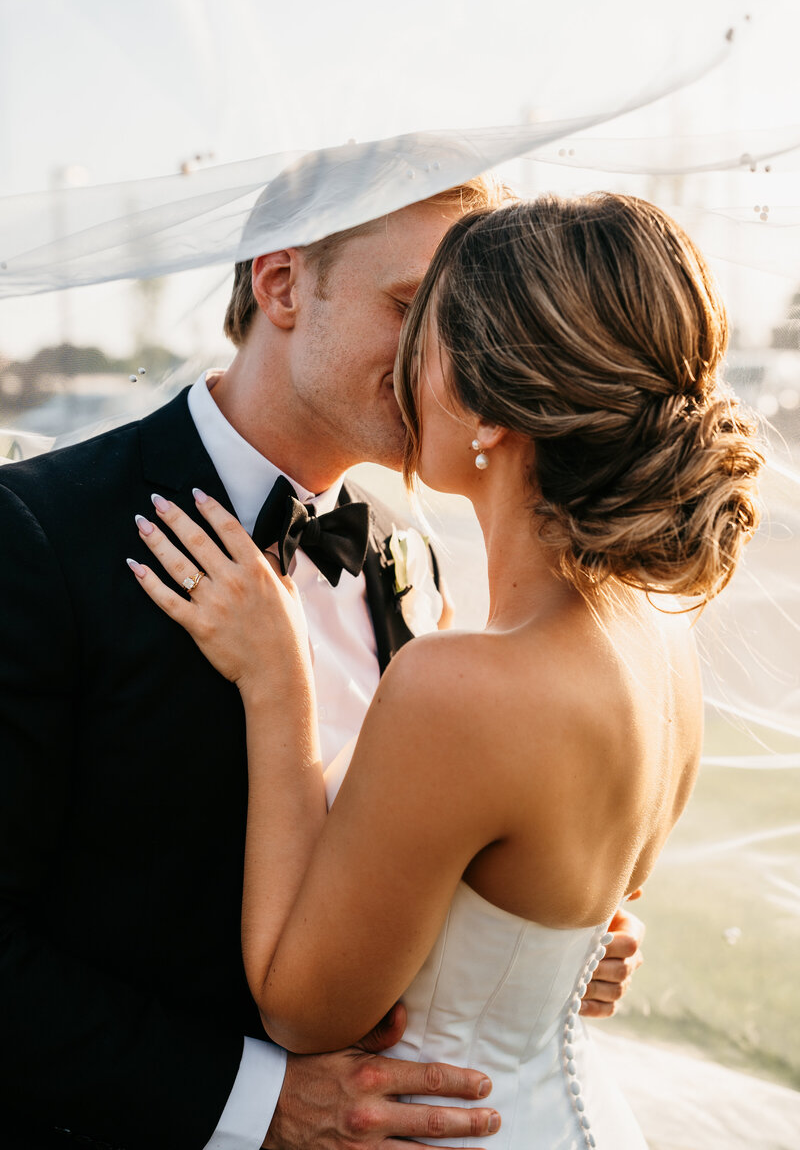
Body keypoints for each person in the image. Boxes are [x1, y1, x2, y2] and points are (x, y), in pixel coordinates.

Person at [0, 178, 641, 1150]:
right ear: (283, 284)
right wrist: (256, 1105)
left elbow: (391, 856)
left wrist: (527, 936)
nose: (447, 354)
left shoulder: (408, 559)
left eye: (457, 318)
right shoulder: (39, 533)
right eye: (408, 307)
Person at [129, 193, 763, 1149]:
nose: (405, 365)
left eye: (424, 329)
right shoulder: (657, 636)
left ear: (485, 404)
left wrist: (279, 684)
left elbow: (306, 1012)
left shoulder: (461, 681)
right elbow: (526, 903)